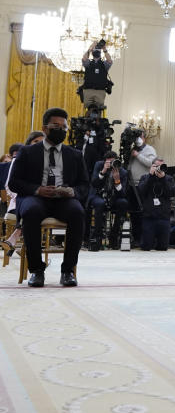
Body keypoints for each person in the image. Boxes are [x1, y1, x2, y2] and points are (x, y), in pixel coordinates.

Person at [8, 108, 90, 287]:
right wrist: (37, 189)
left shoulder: (75, 155)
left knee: (77, 212)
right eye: (56, 126)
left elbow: (85, 185)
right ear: (45, 128)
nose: (60, 129)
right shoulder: (27, 152)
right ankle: (37, 270)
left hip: (63, 199)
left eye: (64, 126)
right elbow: (14, 182)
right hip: (35, 197)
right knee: (31, 211)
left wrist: (71, 192)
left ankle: (68, 271)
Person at [1, 132, 45, 265]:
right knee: (29, 209)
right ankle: (31, 255)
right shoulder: (18, 159)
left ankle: (16, 241)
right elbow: (9, 185)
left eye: (41, 142)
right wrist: (23, 195)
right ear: (29, 144)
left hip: (44, 201)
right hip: (19, 202)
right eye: (35, 141)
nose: (39, 144)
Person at [88, 150, 129, 251]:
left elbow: (123, 194)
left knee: (123, 203)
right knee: (100, 204)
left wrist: (117, 181)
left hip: (114, 197)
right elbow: (94, 183)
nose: (111, 164)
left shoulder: (122, 171)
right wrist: (103, 172)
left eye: (113, 162)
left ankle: (114, 236)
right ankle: (97, 238)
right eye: (109, 162)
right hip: (99, 195)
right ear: (105, 161)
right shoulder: (99, 165)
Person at [127, 129, 157, 248]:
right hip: (131, 185)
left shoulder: (150, 149)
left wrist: (138, 155)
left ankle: (145, 238)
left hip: (143, 184)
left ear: (144, 138)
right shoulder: (132, 149)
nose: (138, 139)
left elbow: (152, 163)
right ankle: (136, 238)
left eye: (140, 137)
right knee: (133, 213)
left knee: (143, 213)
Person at [138, 158, 174, 251]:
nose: (159, 168)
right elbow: (142, 191)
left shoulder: (168, 178)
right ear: (152, 166)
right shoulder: (145, 177)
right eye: (157, 166)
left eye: (162, 166)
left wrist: (163, 179)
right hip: (149, 217)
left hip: (163, 217)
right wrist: (150, 176)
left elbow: (170, 193)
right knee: (146, 247)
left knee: (163, 247)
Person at [79, 41, 113, 116]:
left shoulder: (104, 64)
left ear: (100, 52)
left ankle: (97, 124)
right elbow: (84, 59)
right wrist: (90, 48)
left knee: (98, 110)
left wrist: (104, 50)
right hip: (88, 89)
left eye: (98, 50)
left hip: (100, 91)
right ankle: (86, 124)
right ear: (92, 52)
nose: (96, 52)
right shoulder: (89, 63)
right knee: (88, 109)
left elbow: (109, 61)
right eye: (95, 50)